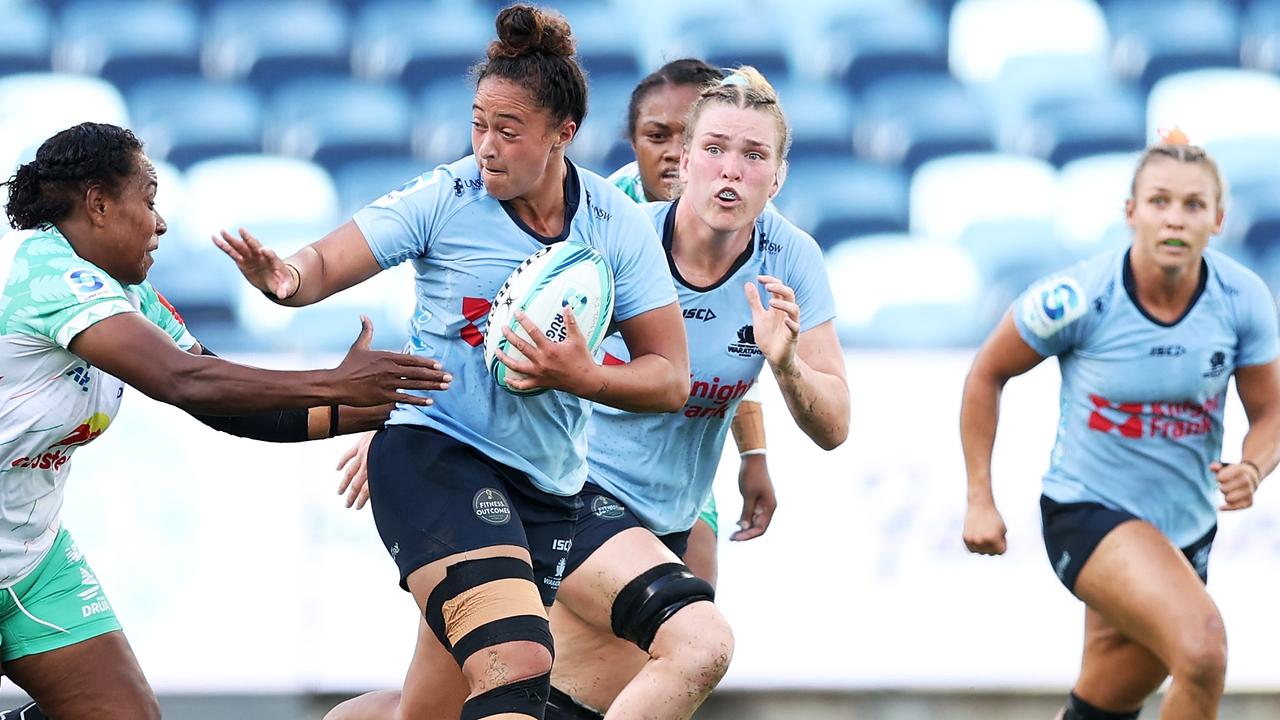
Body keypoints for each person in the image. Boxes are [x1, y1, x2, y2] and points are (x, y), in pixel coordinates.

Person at [333, 65, 850, 720]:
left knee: (477, 711)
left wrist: (785, 377)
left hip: (667, 518)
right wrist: (406, 421)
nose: (731, 169)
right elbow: (481, 317)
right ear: (683, 162)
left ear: (777, 179)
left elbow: (832, 423)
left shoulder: (790, 261)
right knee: (699, 643)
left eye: (754, 156)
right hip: (571, 493)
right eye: (713, 149)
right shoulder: (613, 229)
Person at [217, 6, 690, 719]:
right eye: (478, 124)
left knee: (427, 710)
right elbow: (320, 263)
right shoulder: (447, 197)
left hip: (546, 485)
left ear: (563, 134)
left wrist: (582, 376)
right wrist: (285, 279)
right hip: (434, 455)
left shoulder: (613, 223)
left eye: (508, 130)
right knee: (521, 664)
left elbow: (669, 377)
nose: (486, 147)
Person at [0, 122, 447, 720]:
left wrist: (384, 404)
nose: (160, 224)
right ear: (99, 205)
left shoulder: (127, 297)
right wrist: (333, 381)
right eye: (149, 200)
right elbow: (178, 379)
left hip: (32, 559)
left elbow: (220, 400)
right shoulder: (50, 274)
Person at [960, 134, 1280, 720]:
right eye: (1159, 202)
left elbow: (1272, 412)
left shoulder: (1243, 300)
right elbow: (986, 374)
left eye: (1193, 205)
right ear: (1131, 212)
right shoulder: (1076, 296)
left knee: (1105, 705)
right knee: (1203, 651)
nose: (1175, 219)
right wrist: (980, 496)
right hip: (1086, 512)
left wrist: (1254, 466)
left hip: (1186, 531)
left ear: (1219, 219)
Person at [606, 58, 777, 588]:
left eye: (692, 137)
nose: (674, 153)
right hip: (592, 468)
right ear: (633, 142)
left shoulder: (744, 222)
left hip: (683, 477)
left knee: (695, 620)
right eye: (657, 135)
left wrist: (754, 454)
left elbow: (728, 347)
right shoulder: (605, 216)